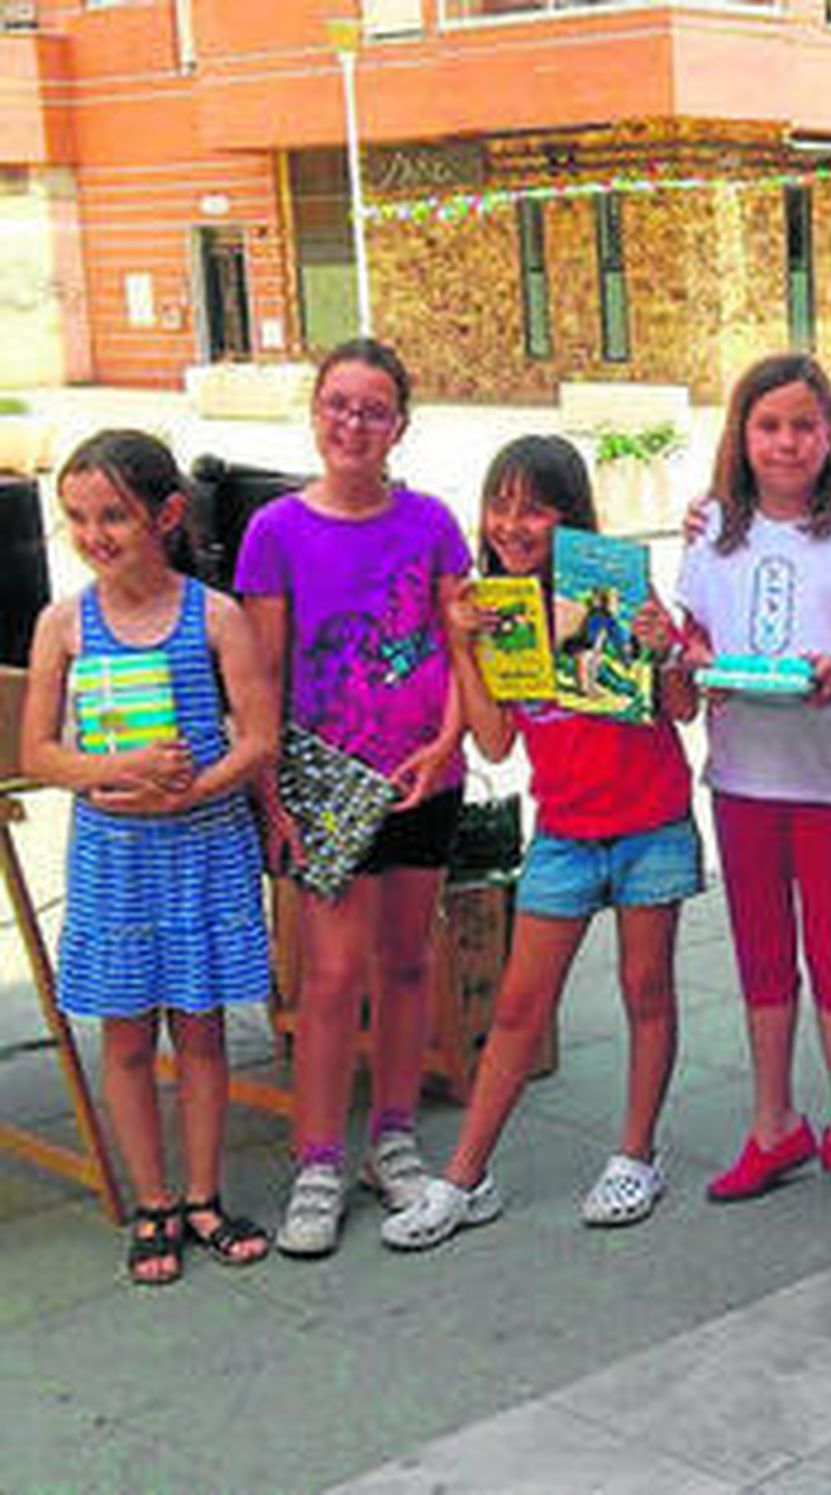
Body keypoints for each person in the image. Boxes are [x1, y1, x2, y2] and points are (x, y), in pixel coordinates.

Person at [381, 435, 702, 1250]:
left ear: (572, 514)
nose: (512, 523)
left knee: (646, 988)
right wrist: (461, 642)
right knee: (520, 1006)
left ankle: (637, 1154)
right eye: (500, 503)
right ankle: (465, 1176)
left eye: (534, 505)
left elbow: (682, 709)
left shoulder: (616, 589)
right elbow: (492, 745)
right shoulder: (499, 611)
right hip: (563, 831)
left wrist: (665, 647)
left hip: (649, 823)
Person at [20, 431, 276, 1284]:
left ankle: (204, 1194)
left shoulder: (215, 615)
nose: (96, 535)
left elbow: (260, 737)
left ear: (166, 515)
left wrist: (195, 787)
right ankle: (153, 1200)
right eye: (79, 520)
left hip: (201, 851)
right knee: (127, 1039)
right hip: (114, 860)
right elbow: (41, 750)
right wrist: (111, 771)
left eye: (115, 516)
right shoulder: (62, 624)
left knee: (201, 1034)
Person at [235, 338, 472, 1258]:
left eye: (374, 410)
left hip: (424, 776)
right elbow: (259, 677)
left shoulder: (434, 524)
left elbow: (461, 646)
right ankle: (319, 1158)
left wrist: (447, 741)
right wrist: (272, 792)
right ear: (315, 411)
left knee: (408, 961)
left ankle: (395, 1135)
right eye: (339, 404)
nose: (354, 424)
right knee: (332, 976)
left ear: (400, 426)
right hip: (326, 782)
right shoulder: (276, 532)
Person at [677, 353, 831, 1210]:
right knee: (763, 957)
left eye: (804, 425)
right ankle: (773, 1122)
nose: (786, 442)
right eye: (769, 425)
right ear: (742, 433)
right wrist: (696, 661)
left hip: (830, 781)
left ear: (830, 433)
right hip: (742, 776)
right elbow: (691, 637)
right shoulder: (711, 533)